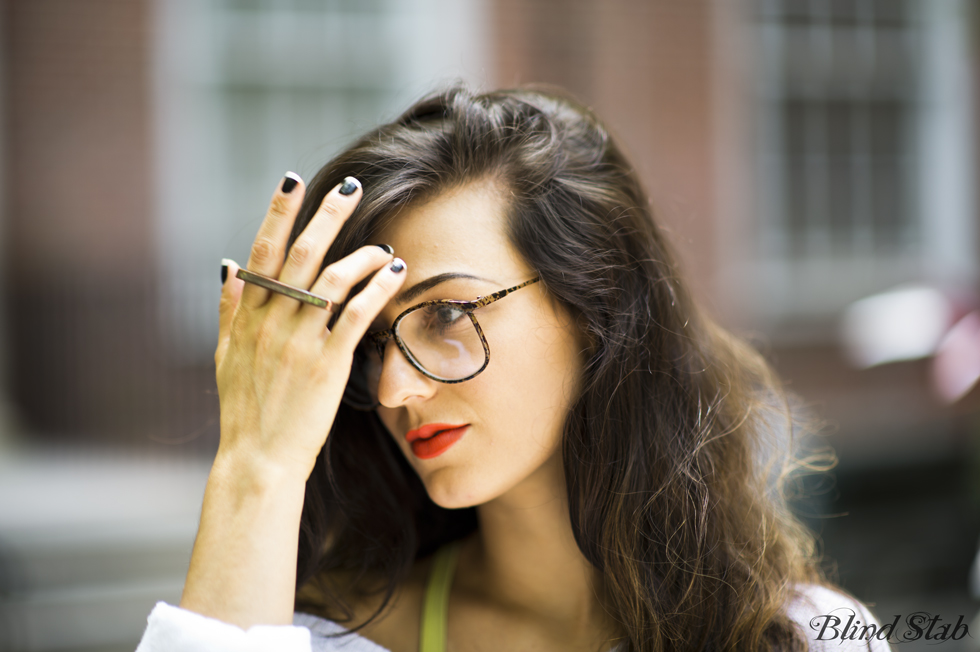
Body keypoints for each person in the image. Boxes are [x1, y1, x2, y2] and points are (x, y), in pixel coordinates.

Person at [136, 85, 892, 652]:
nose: (395, 389)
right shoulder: (331, 633)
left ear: (595, 310)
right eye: (368, 347)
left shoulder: (809, 637)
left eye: (448, 315)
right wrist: (255, 465)